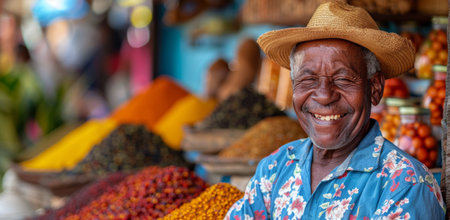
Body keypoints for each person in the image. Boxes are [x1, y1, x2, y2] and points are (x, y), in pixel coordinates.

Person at [225, 1, 445, 219]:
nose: (324, 95)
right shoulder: (275, 168)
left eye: (343, 79)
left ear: (375, 88)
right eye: (308, 80)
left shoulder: (404, 184)